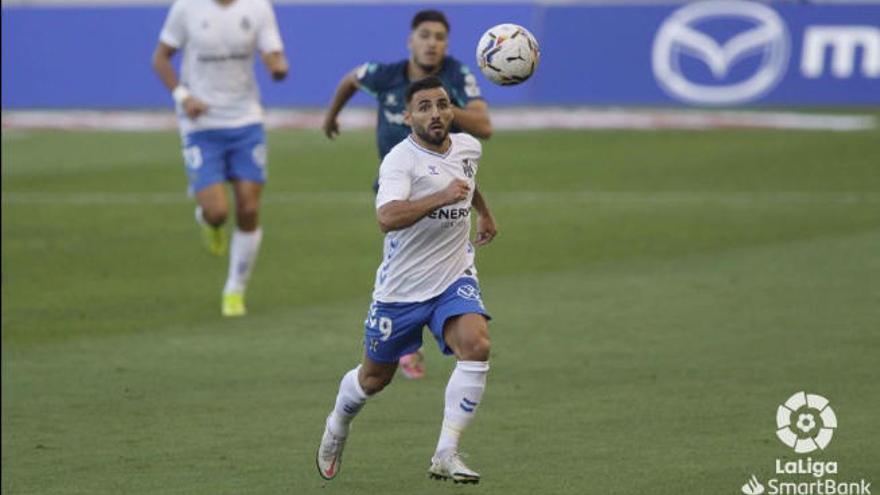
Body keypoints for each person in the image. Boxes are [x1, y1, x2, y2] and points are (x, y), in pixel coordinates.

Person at [315, 76, 498, 484]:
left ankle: (446, 452)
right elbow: (387, 217)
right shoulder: (400, 160)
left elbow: (465, 180)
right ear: (407, 115)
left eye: (442, 105)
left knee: (477, 344)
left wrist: (482, 210)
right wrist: (443, 197)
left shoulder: (469, 146)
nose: (436, 114)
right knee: (373, 380)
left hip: (454, 276)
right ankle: (337, 425)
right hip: (401, 291)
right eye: (425, 107)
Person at [321, 9, 492, 379]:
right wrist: (332, 115)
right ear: (410, 41)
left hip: (441, 173)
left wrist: (437, 108)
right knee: (404, 255)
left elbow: (484, 126)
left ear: (447, 44)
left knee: (417, 256)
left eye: (440, 37)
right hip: (398, 181)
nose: (432, 43)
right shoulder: (385, 74)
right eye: (425, 35)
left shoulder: (456, 76)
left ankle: (410, 336)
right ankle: (407, 339)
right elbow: (351, 79)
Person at [152, 0, 289, 317]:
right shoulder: (186, 8)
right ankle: (207, 221)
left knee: (249, 208)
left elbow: (272, 51)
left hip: (246, 121)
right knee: (217, 212)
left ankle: (234, 290)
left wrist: (277, 66)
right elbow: (160, 58)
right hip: (201, 124)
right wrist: (183, 97)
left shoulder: (257, 8)